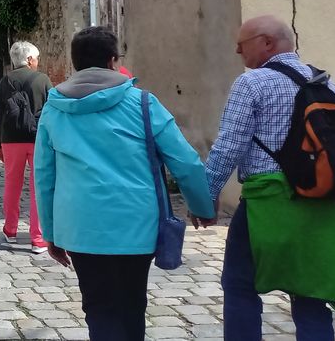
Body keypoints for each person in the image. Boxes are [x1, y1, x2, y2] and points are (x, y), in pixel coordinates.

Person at [34, 26, 214, 341]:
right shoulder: (142, 103)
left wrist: (50, 233)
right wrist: (201, 206)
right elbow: (185, 161)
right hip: (136, 223)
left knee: (98, 307)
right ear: (114, 60)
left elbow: (45, 174)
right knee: (132, 304)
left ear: (74, 63)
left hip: (80, 226)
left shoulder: (54, 107)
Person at [204, 15, 335, 339]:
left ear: (267, 42)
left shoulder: (251, 83)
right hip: (321, 203)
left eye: (242, 43)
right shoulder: (326, 83)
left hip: (268, 201)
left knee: (239, 285)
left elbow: (229, 146)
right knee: (311, 295)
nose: (237, 50)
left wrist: (205, 195)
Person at [0, 41, 52, 253]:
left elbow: (0, 114)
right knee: (38, 187)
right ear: (29, 60)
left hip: (11, 138)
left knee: (12, 183)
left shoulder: (6, 80)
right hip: (38, 138)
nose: (37, 62)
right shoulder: (43, 79)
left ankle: (10, 229)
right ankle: (37, 237)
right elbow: (52, 110)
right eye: (36, 58)